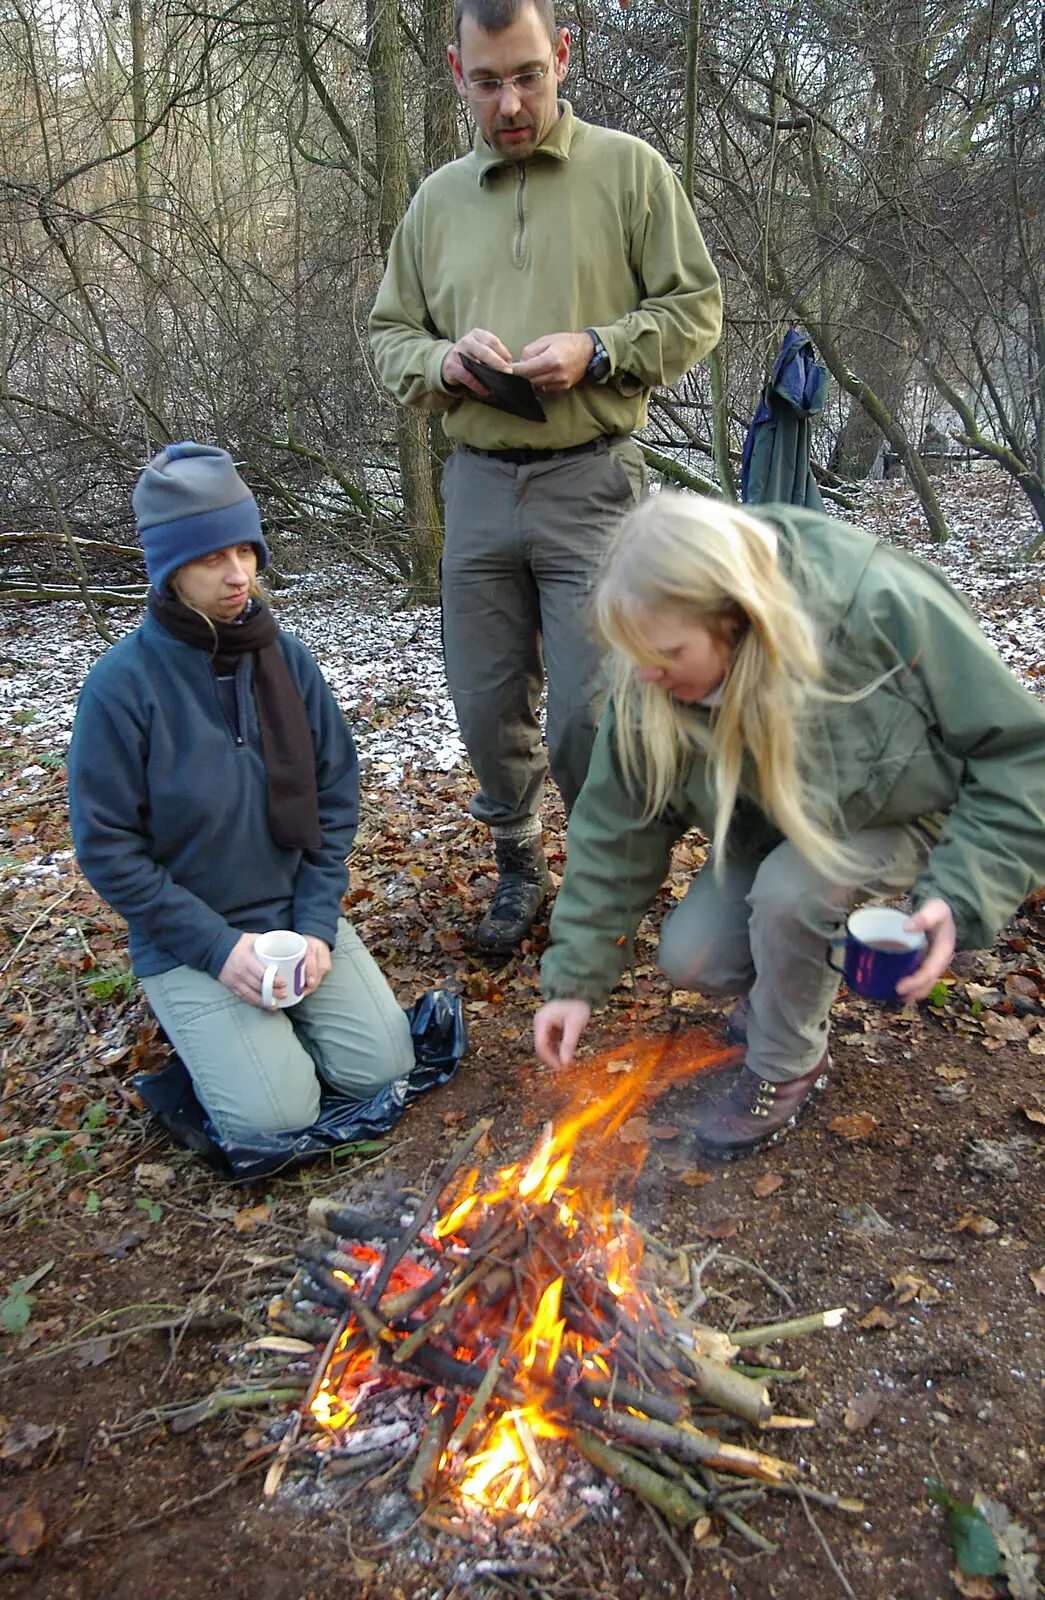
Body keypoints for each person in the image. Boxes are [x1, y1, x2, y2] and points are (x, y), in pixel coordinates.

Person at [534, 492, 1045, 1156]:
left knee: (790, 893)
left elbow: (1021, 753)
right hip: (774, 823)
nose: (643, 674)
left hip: (908, 810)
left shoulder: (873, 606)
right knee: (691, 956)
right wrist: (574, 983)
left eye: (665, 652)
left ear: (735, 618)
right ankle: (785, 982)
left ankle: (785, 1065)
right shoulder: (650, 670)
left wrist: (961, 891)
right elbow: (613, 829)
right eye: (633, 654)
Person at [369, 0, 722, 954]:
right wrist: (442, 362)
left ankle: (614, 867)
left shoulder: (629, 171)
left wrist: (600, 348)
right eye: (488, 82)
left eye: (528, 74)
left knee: (586, 713)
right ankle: (520, 865)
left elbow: (696, 310)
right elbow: (387, 335)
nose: (511, 102)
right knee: (485, 703)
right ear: (455, 74)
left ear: (563, 56)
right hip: (477, 484)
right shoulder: (437, 201)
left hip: (592, 482)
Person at [67, 443, 415, 1148]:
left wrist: (316, 924)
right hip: (189, 937)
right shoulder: (121, 685)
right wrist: (218, 949)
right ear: (168, 570)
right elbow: (106, 847)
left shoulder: (285, 659)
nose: (237, 576)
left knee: (385, 1068)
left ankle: (265, 1032)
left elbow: (334, 795)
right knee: (274, 1118)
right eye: (209, 559)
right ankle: (220, 1036)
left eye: (246, 552)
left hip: (291, 911)